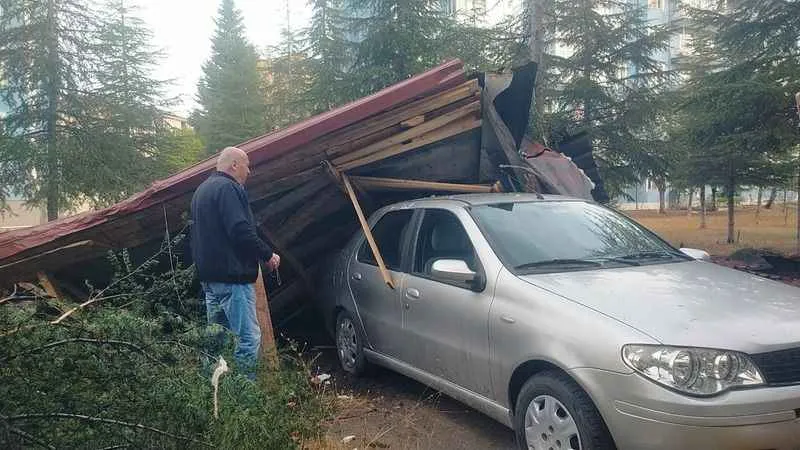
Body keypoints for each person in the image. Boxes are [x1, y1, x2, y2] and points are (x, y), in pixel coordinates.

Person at [189, 146, 280, 377]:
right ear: (234, 165)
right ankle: (244, 394)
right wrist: (267, 254)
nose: (249, 171)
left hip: (210, 281)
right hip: (232, 279)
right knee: (248, 338)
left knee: (216, 341)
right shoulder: (228, 188)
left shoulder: (202, 190)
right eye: (247, 165)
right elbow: (240, 230)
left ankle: (212, 391)